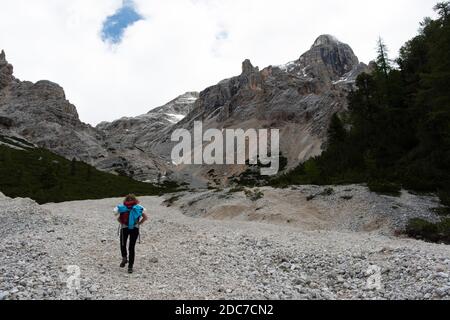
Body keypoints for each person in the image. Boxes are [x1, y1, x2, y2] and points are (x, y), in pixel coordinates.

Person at [114, 194, 148, 274]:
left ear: (126, 200)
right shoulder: (138, 208)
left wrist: (122, 223)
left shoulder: (123, 207)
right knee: (131, 247)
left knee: (122, 244)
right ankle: (130, 267)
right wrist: (139, 223)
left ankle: (124, 257)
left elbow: (118, 218)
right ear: (135, 200)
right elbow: (145, 217)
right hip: (134, 229)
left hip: (124, 228)